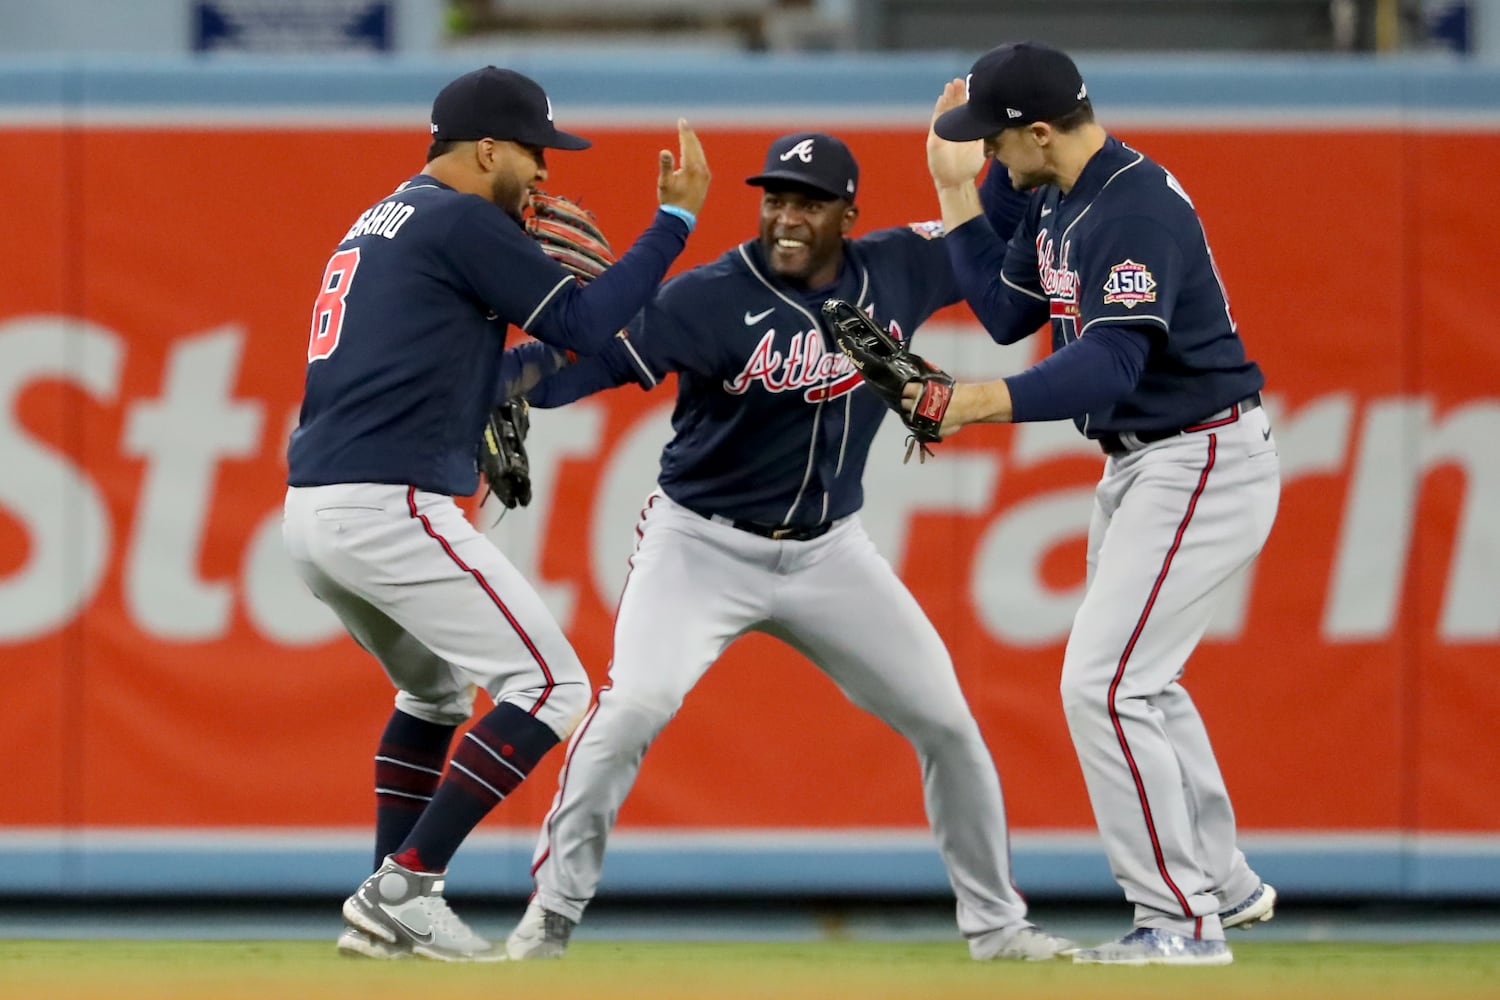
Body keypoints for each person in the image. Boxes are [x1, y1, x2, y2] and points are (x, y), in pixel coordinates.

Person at [502, 132, 1075, 963]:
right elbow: (566, 375)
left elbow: (992, 252)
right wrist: (491, 371)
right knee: (630, 709)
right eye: (775, 198)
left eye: (808, 201)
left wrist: (975, 173)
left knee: (949, 725)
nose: (787, 216)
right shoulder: (707, 297)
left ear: (849, 211)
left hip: (829, 553)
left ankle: (997, 927)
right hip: (700, 545)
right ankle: (550, 915)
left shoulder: (900, 266)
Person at [280, 65, 710, 962]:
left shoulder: (384, 216)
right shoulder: (462, 220)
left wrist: (508, 375)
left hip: (314, 511)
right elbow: (588, 324)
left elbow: (456, 358)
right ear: (484, 149)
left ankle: (382, 907)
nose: (544, 173)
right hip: (387, 501)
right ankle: (405, 887)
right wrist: (672, 225)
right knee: (552, 689)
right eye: (532, 151)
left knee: (434, 693)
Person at [923, 42, 1279, 966]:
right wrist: (960, 194)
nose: (989, 154)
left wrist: (982, 399)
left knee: (1103, 684)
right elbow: (1005, 315)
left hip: (1202, 455)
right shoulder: (1052, 190)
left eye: (996, 144)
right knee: (1140, 681)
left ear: (1040, 131)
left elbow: (1114, 359)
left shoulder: (1134, 207)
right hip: (1143, 461)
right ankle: (1222, 883)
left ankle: (1182, 920)